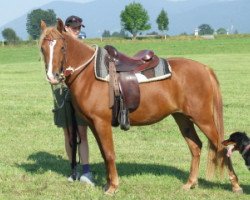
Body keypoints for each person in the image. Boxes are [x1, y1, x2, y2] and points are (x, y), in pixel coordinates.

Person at [51, 15, 94, 185]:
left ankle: (86, 170)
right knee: (68, 133)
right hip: (63, 92)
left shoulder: (83, 47)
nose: (77, 30)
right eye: (74, 27)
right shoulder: (59, 47)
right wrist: (61, 76)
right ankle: (73, 168)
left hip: (82, 94)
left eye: (79, 27)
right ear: (66, 28)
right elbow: (52, 70)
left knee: (82, 133)